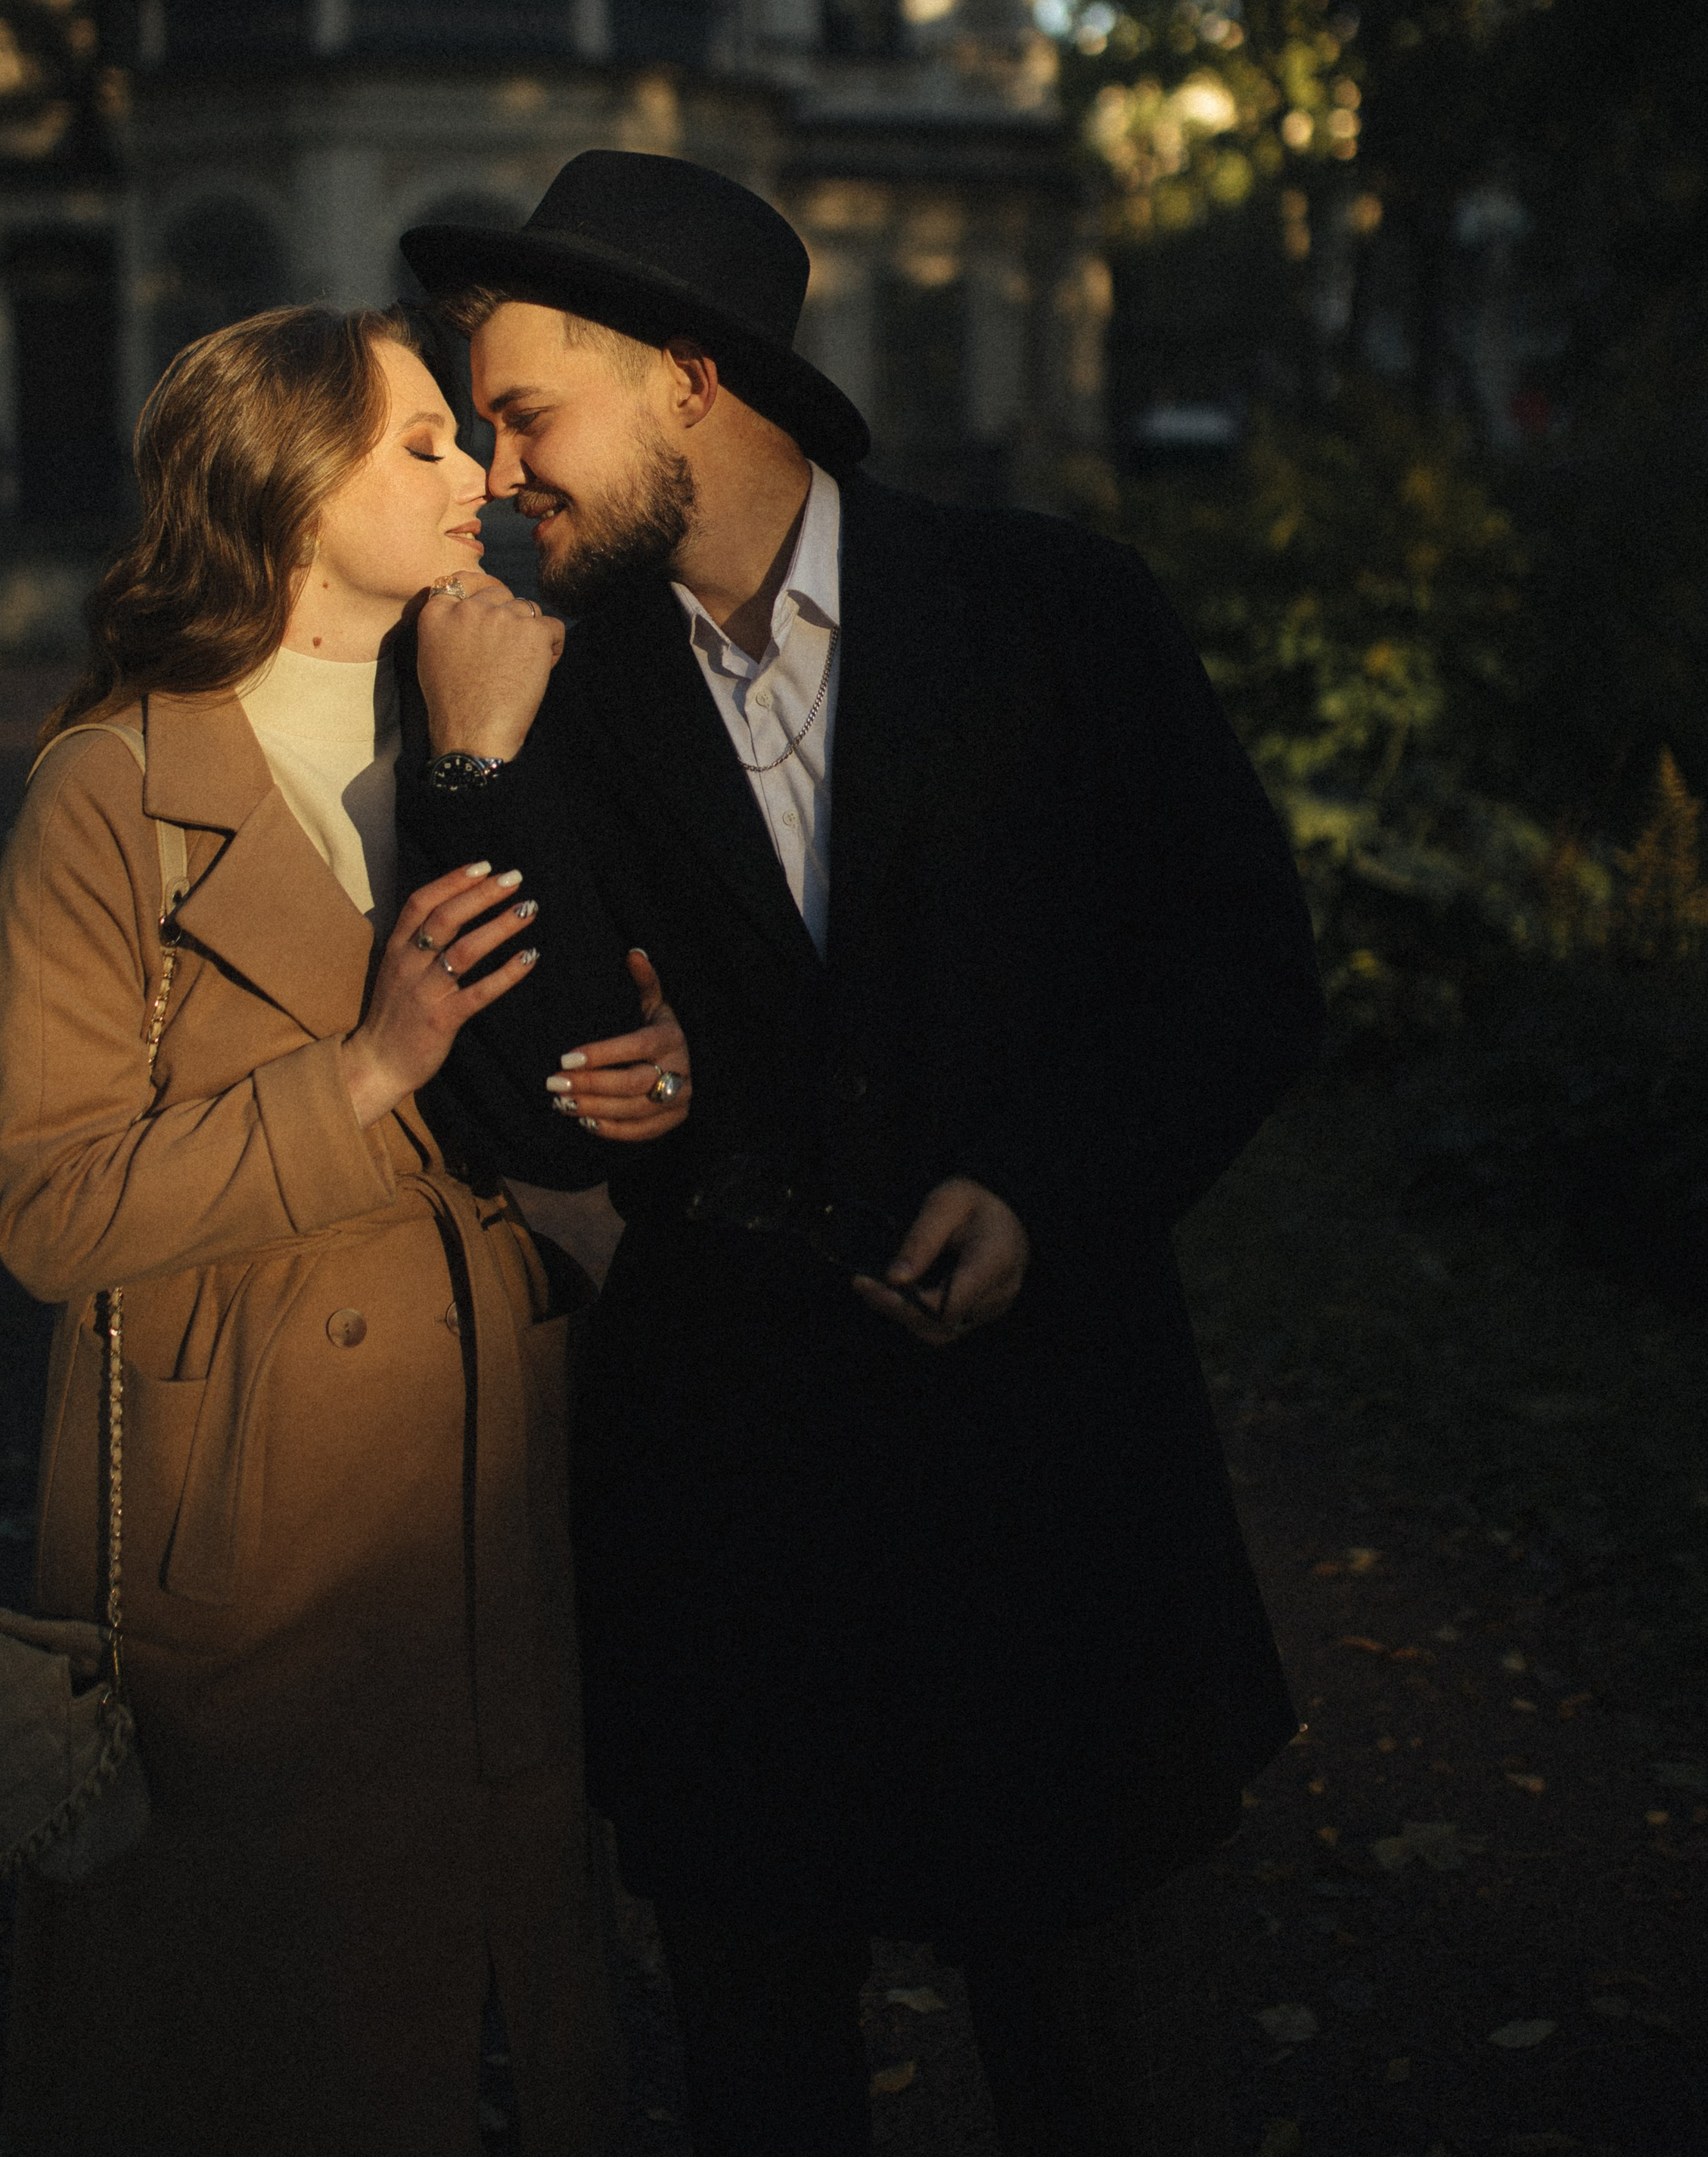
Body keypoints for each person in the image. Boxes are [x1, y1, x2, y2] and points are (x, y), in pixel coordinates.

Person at [396, 153, 1328, 2157]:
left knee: (1115, 2090)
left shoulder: (1058, 611)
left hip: (1058, 1521)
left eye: (526, 415)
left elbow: (1244, 976)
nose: (497, 469)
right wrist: (474, 790)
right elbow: (494, 1084)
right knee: (764, 2094)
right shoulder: (521, 679)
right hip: (735, 1552)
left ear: (693, 381)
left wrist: (1043, 1185)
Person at [0, 303, 688, 2157]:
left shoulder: (485, 734)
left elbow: (567, 1059)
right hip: (249, 1528)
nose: (482, 475)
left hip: (491, 1478)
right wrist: (362, 1073)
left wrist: (660, 1073)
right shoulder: (111, 792)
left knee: (495, 2013)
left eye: (472, 439)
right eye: (422, 446)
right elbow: (48, 1213)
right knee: (265, 2035)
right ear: (291, 489)